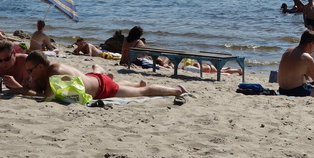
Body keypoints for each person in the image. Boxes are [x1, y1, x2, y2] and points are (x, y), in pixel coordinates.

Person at [12, 50, 186, 100]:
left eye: (30, 70)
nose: (28, 73)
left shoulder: (55, 73)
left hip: (102, 88)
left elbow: (46, 96)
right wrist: (30, 83)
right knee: (121, 85)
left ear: (41, 67)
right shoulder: (52, 68)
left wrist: (20, 89)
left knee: (144, 92)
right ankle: (102, 71)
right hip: (92, 79)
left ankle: (175, 90)